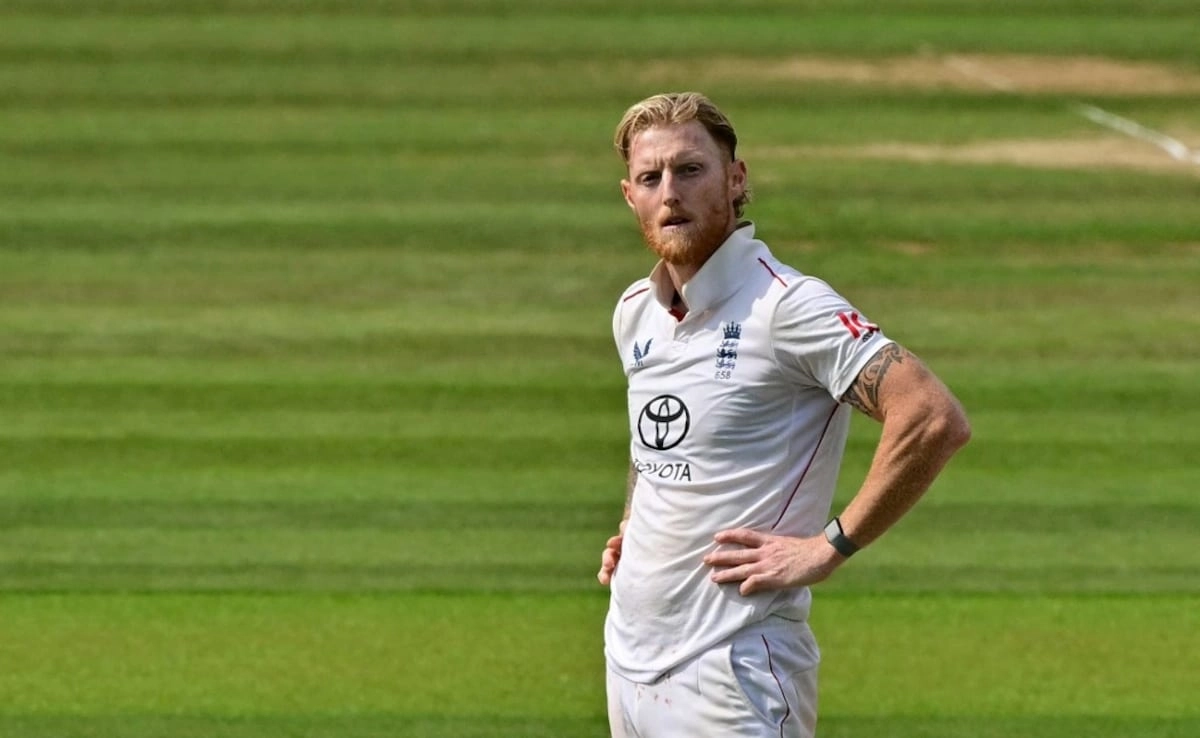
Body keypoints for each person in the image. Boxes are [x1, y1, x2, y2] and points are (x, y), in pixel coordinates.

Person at [596, 92, 971, 738]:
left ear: (736, 179)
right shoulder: (636, 310)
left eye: (691, 170)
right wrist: (637, 520)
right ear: (630, 196)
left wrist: (828, 547)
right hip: (626, 663)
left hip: (730, 671)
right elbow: (656, 436)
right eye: (651, 178)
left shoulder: (788, 307)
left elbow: (932, 415)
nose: (670, 193)